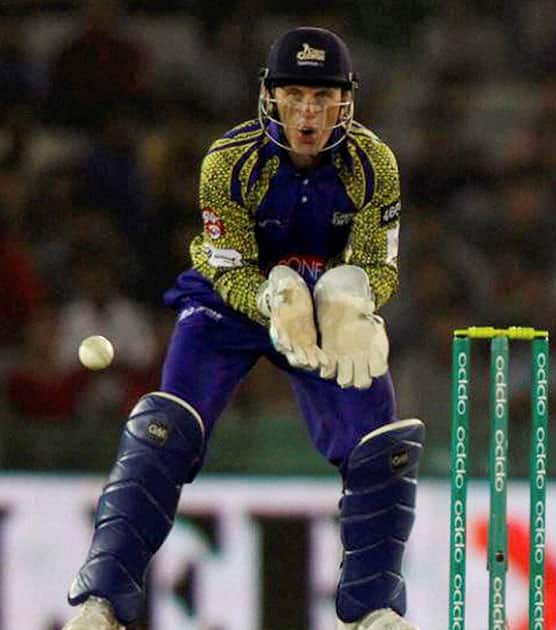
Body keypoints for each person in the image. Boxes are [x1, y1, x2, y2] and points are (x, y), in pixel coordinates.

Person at [62, 27, 423, 630]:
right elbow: (227, 268)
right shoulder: (229, 161)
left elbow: (379, 265)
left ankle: (375, 611)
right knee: (163, 428)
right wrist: (269, 294)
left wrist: (355, 295)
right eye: (295, 95)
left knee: (380, 447)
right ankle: (100, 601)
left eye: (323, 97)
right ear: (271, 96)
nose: (308, 113)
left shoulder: (372, 163)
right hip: (232, 300)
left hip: (325, 310)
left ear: (345, 101)